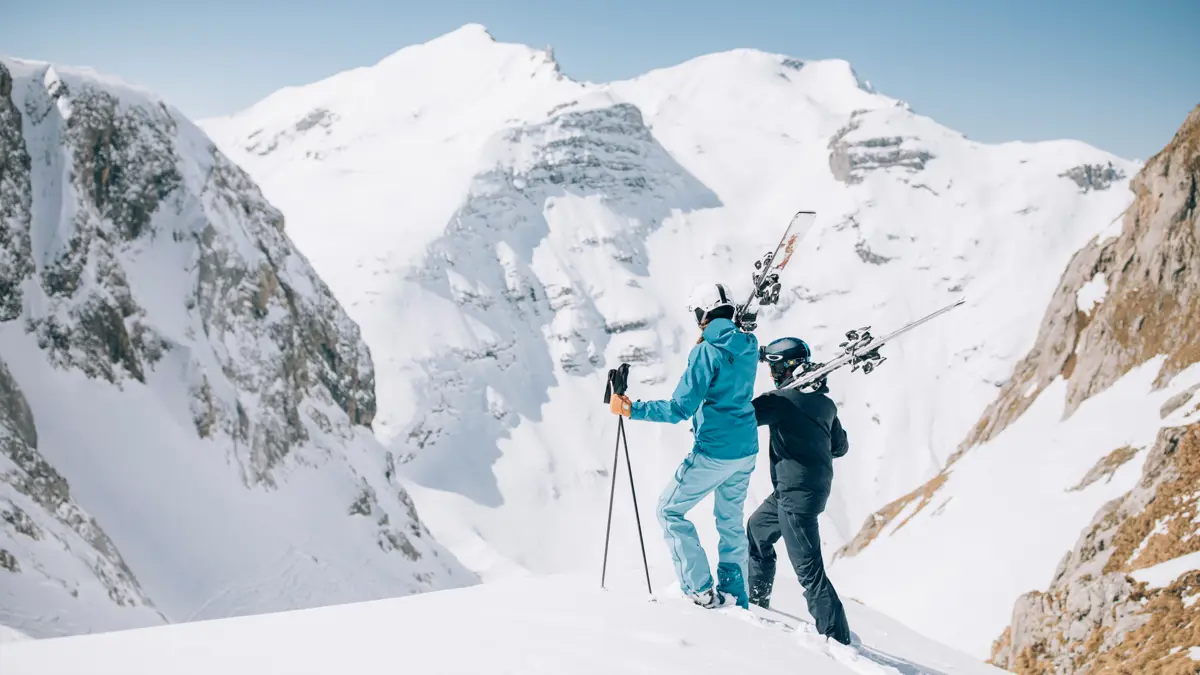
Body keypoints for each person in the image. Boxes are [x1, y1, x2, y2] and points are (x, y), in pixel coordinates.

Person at [608, 283, 759, 609]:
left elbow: (680, 409)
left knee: (669, 510)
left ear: (704, 312)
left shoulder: (706, 352)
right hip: (746, 449)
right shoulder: (748, 344)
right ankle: (737, 596)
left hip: (715, 450)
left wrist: (631, 408)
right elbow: (731, 348)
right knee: (730, 523)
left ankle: (700, 589)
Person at [745, 336, 853, 645]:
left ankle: (838, 640)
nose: (771, 373)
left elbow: (742, 416)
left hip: (796, 497)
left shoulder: (780, 401)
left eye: (774, 367)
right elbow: (840, 447)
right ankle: (757, 602)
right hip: (797, 490)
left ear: (787, 367)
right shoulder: (824, 403)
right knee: (757, 529)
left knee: (809, 571)